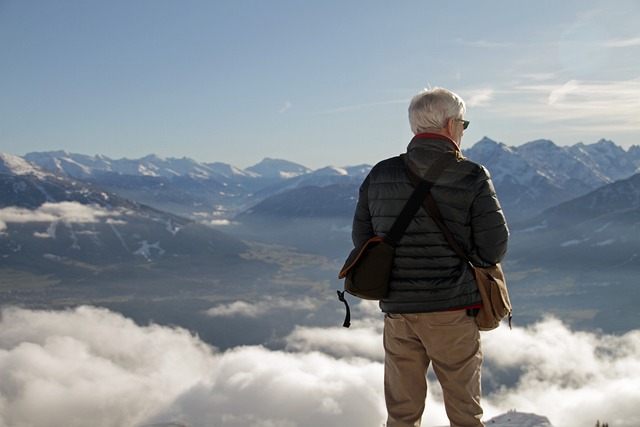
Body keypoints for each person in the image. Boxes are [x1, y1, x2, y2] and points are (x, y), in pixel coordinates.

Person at [350, 87, 509, 427]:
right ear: (451, 124)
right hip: (452, 310)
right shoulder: (471, 175)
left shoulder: (379, 174)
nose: (463, 130)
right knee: (465, 412)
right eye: (463, 124)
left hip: (398, 312)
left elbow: (362, 241)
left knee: (402, 413)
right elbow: (493, 247)